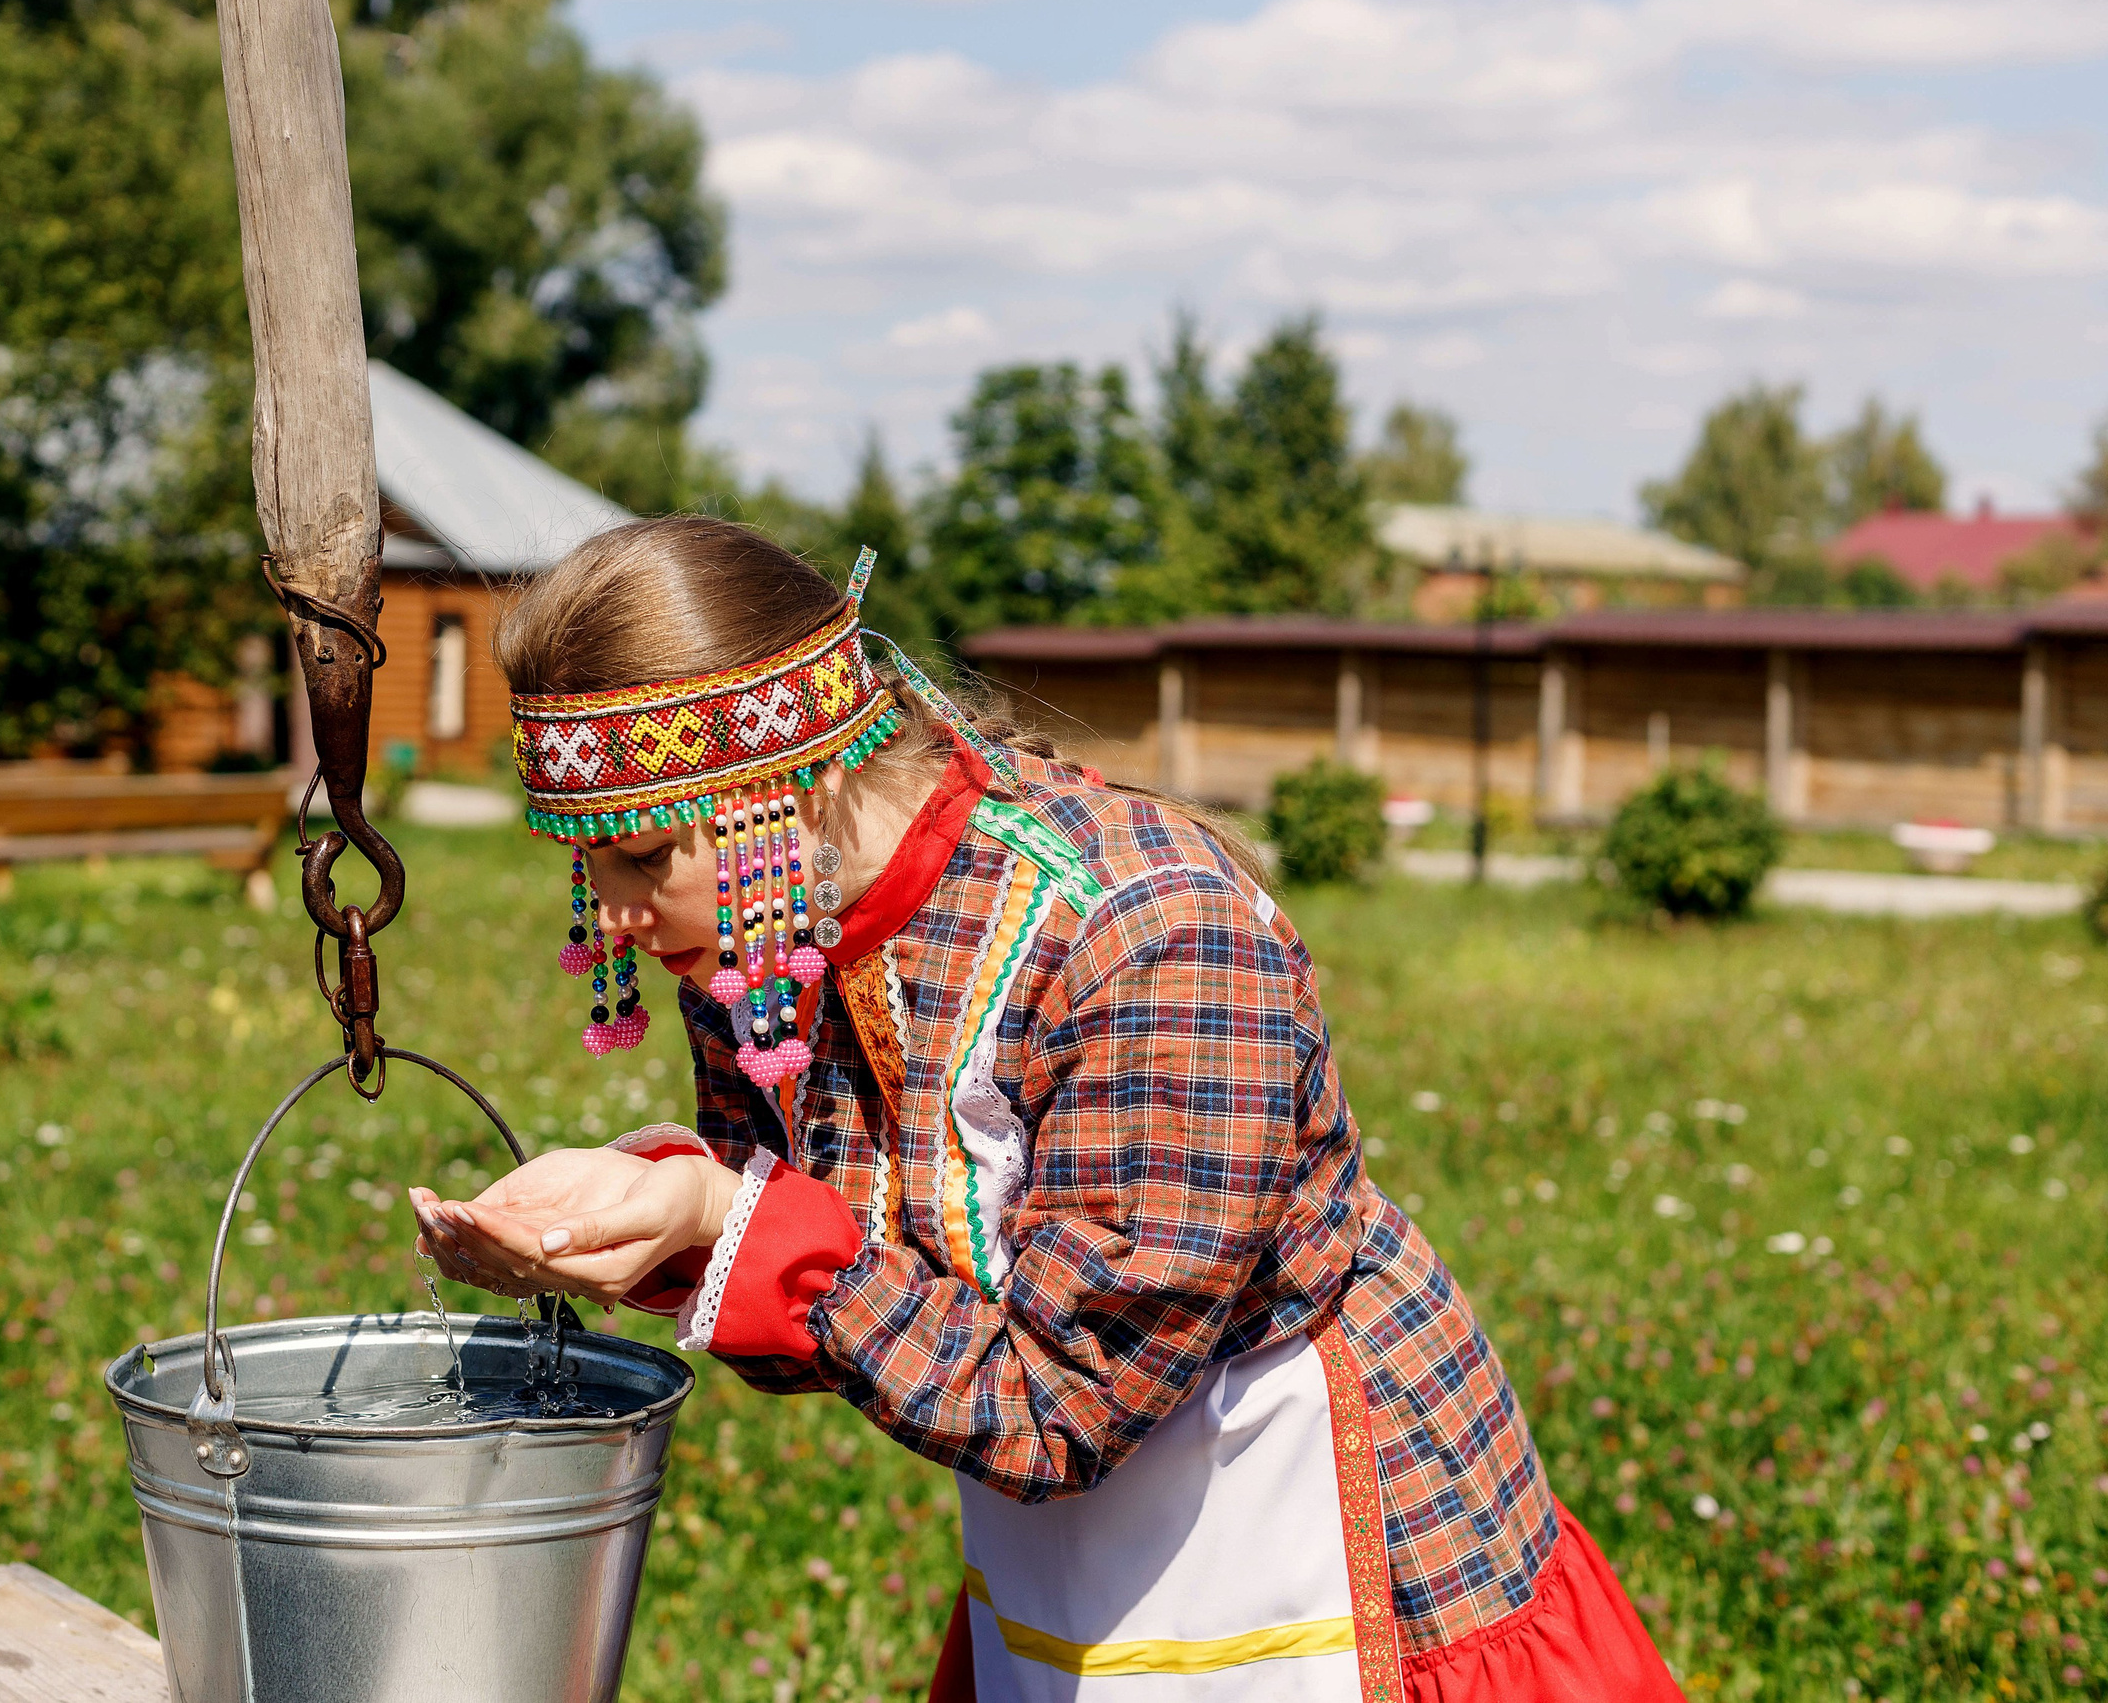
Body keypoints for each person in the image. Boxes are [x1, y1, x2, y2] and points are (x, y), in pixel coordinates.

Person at [410, 515, 1680, 1702]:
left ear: (790, 786)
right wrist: (680, 1217)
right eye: (588, 864)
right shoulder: (763, 943)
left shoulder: (1147, 934)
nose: (614, 918)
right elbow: (869, 1325)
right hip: (1058, 1553)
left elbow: (1062, 1408)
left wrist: (727, 1217)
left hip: (1310, 1529)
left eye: (642, 855)